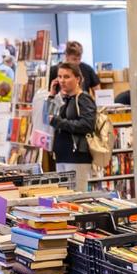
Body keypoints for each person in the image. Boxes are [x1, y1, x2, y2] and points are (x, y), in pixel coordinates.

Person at [51, 62, 96, 191]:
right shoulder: (62, 98)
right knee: (64, 197)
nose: (62, 80)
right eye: (59, 77)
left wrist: (59, 122)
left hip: (77, 156)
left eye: (66, 77)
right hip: (61, 155)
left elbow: (87, 125)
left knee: (76, 197)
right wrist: (51, 94)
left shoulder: (83, 99)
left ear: (77, 79)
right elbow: (47, 118)